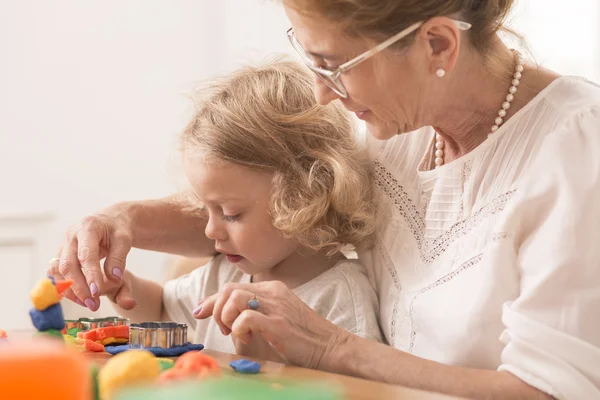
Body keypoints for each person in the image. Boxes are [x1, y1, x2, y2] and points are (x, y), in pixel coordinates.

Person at [48, 0, 600, 398]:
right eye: (311, 61)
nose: (321, 93)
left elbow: (548, 392)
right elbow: (277, 215)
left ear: (437, 44)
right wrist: (123, 221)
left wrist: (333, 348)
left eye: (337, 66)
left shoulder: (576, 150)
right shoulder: (396, 124)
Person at [89, 60, 383, 356]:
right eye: (206, 209)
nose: (210, 229)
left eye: (230, 213)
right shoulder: (227, 273)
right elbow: (162, 309)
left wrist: (261, 360)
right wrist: (122, 287)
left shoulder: (340, 296)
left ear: (305, 197)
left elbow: (360, 388)